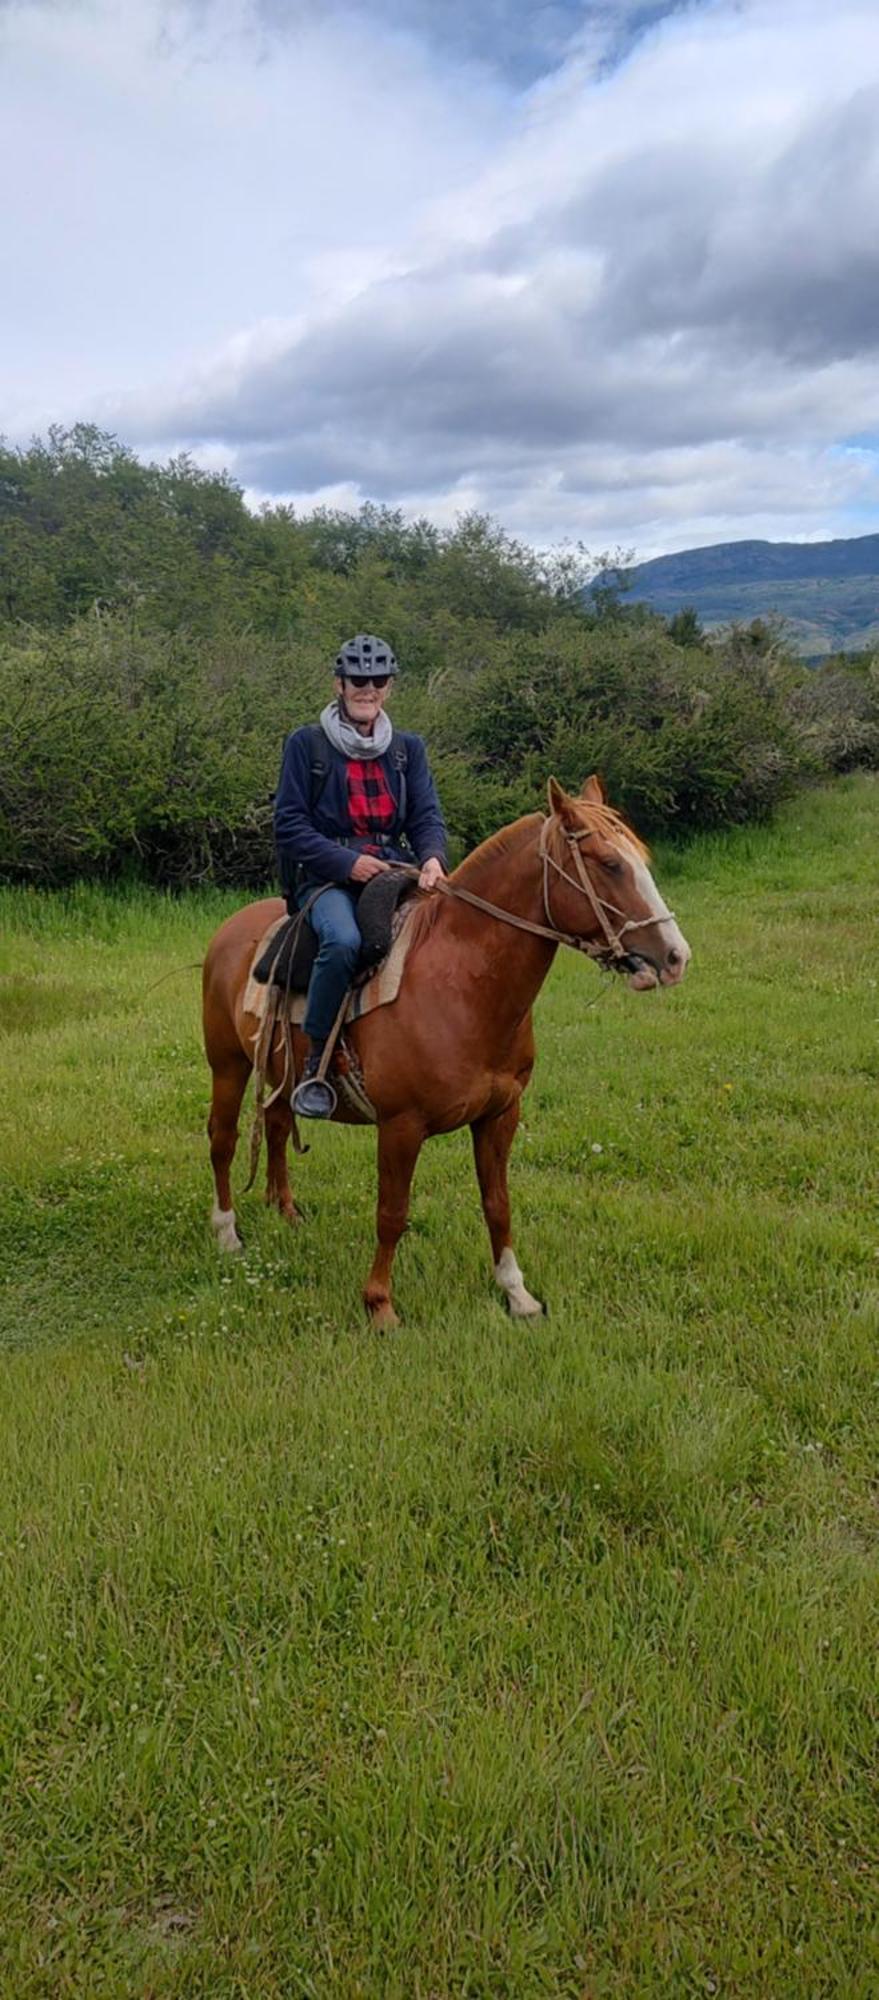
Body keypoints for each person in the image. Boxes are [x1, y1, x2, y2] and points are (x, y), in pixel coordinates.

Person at [274, 633, 448, 1117]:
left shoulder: (406, 750)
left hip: (393, 870)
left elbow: (427, 816)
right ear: (340, 684)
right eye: (357, 680)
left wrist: (432, 857)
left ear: (388, 687)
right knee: (345, 942)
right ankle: (315, 1065)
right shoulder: (306, 745)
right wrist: (347, 862)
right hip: (327, 878)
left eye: (376, 680)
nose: (366, 689)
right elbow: (289, 825)